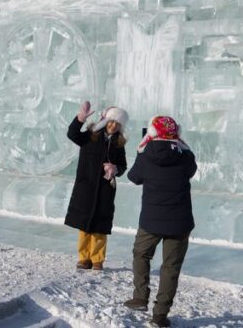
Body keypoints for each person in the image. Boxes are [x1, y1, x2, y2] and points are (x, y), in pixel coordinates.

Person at [123, 116, 197, 327]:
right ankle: (160, 316)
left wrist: (140, 151)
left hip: (151, 222)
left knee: (141, 254)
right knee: (170, 268)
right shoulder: (185, 158)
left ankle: (140, 297)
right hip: (179, 223)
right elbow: (192, 170)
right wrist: (184, 145)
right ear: (176, 135)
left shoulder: (146, 156)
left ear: (152, 134)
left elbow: (133, 178)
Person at [64, 101, 129, 270]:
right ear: (105, 121)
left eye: (117, 124)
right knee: (84, 225)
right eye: (111, 122)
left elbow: (123, 166)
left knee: (100, 226)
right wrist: (79, 119)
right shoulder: (90, 136)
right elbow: (72, 134)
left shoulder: (119, 144)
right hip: (86, 187)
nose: (113, 126)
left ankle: (97, 259)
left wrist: (115, 169)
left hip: (105, 190)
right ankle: (84, 257)